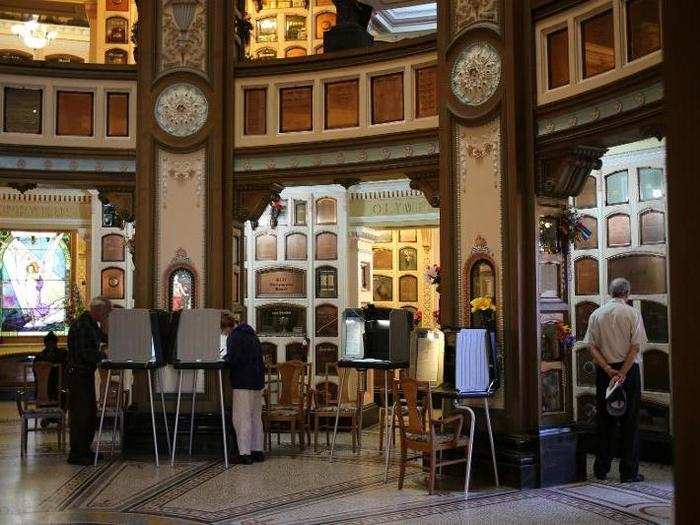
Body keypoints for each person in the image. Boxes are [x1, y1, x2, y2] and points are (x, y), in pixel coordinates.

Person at [584, 278, 647, 483]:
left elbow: (591, 346)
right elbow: (635, 347)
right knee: (630, 422)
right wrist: (623, 372)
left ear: (610, 292)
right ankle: (628, 472)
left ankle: (601, 469)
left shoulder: (597, 314)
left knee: (605, 420)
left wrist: (608, 369)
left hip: (606, 373)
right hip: (628, 372)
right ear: (627, 292)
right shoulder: (632, 314)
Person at [66, 297, 112, 465]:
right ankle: (77, 453)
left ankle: (85, 449)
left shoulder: (91, 324)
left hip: (85, 375)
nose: (106, 316)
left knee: (89, 413)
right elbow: (86, 354)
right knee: (81, 414)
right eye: (106, 313)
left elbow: (104, 337)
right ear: (98, 310)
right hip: (78, 376)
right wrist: (104, 356)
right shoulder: (82, 325)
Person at [222, 312, 265, 465]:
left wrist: (224, 359)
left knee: (241, 418)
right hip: (257, 381)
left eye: (222, 330)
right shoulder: (251, 333)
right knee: (255, 417)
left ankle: (244, 453)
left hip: (242, 381)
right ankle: (257, 450)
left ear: (226, 327)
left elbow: (234, 359)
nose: (223, 334)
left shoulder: (234, 337)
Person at [33, 331, 67, 426]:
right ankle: (58, 416)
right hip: (58, 394)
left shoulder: (38, 357)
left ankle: (47, 417)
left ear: (45, 343)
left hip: (41, 395)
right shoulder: (62, 354)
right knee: (63, 389)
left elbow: (35, 375)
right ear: (56, 343)